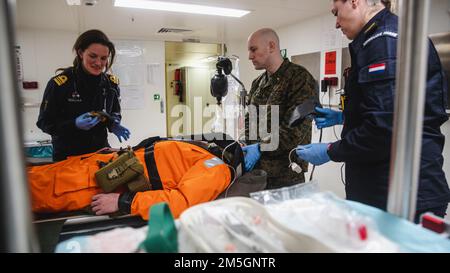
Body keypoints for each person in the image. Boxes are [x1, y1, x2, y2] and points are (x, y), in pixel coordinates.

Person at [296, 0, 450, 222]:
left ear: (355, 2)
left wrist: (330, 150)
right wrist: (343, 117)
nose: (337, 24)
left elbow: (384, 130)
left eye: (336, 13)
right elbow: (396, 112)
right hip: (386, 186)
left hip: (401, 193)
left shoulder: (384, 41)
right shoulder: (377, 38)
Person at [28, 136, 246, 220]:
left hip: (98, 184)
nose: (243, 145)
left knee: (26, 193)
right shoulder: (204, 149)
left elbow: (180, 202)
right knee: (31, 178)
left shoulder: (217, 168)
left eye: (246, 148)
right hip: (102, 164)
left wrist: (124, 202)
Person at [36, 29, 130, 162]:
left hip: (99, 152)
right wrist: (74, 124)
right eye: (93, 56)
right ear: (81, 53)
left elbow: (115, 111)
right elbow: (44, 122)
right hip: (67, 156)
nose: (98, 63)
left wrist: (113, 123)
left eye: (103, 58)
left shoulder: (111, 84)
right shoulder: (60, 84)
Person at [244, 28, 318, 190]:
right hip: (257, 174)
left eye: (253, 49)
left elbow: (295, 131)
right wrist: (247, 145)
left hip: (286, 177)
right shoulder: (258, 83)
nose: (250, 56)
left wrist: (259, 147)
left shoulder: (300, 79)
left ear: (271, 46)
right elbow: (250, 120)